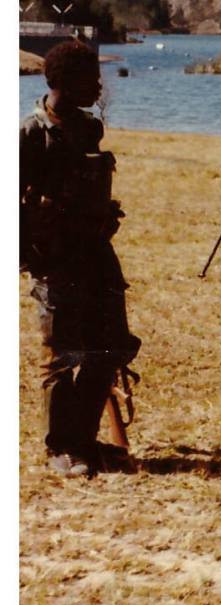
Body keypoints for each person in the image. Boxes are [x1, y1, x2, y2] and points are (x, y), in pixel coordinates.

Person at [20, 41, 141, 477]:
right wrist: (32, 255)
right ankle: (60, 448)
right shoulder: (29, 135)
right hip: (56, 261)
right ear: (63, 82)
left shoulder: (89, 128)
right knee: (63, 354)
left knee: (109, 348)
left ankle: (84, 440)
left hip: (97, 257)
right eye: (91, 79)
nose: (99, 86)